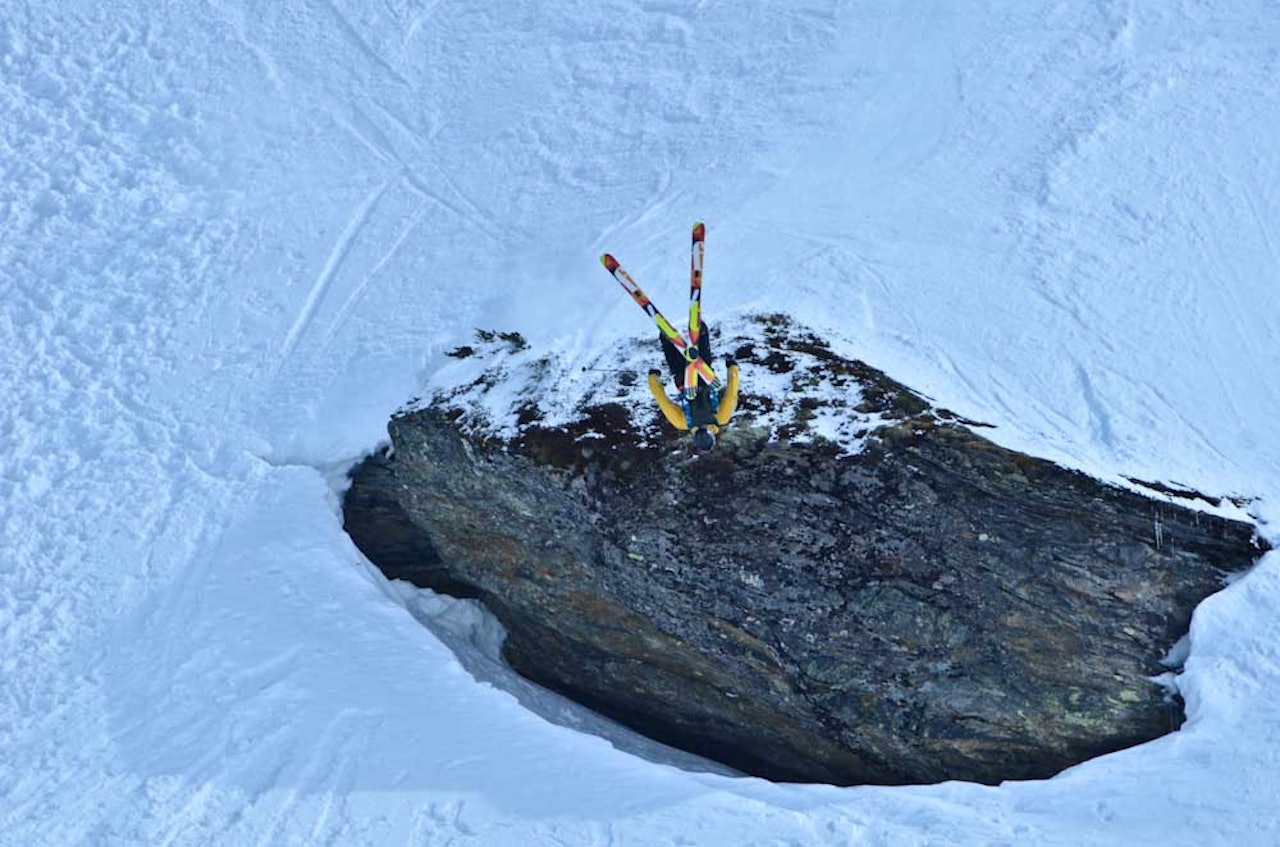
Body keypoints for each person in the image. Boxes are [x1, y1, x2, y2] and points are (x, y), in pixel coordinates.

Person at [646, 321, 740, 450]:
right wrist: (653, 378)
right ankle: (666, 336)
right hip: (682, 380)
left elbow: (732, 394)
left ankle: (700, 329)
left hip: (705, 377)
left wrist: (732, 368)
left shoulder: (721, 418)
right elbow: (662, 401)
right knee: (672, 350)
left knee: (701, 352)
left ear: (712, 435)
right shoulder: (682, 423)